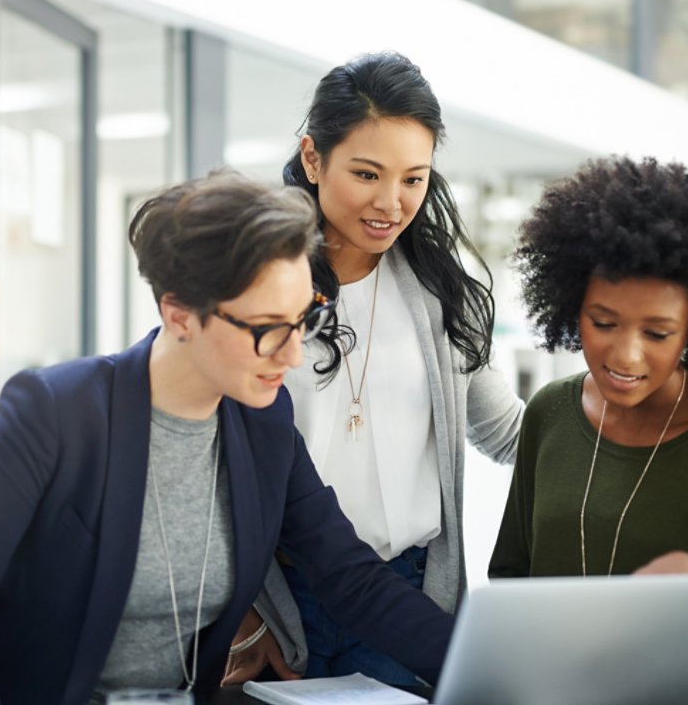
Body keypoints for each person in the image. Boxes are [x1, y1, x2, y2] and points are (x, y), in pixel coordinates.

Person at [0, 171, 454, 705]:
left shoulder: (263, 420)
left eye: (305, 319)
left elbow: (348, 577)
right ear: (178, 315)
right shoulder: (55, 413)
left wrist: (482, 660)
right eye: (268, 328)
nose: (295, 353)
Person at [223, 52, 524, 686]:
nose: (391, 202)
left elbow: (506, 432)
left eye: (414, 179)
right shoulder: (253, 285)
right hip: (282, 602)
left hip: (410, 596)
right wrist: (246, 611)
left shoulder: (442, 292)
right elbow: (209, 457)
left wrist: (631, 416)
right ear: (312, 158)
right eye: (367, 173)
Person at [488, 155, 688, 702]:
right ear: (570, 305)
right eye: (603, 323)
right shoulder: (548, 415)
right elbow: (509, 589)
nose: (624, 355)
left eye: (657, 332)